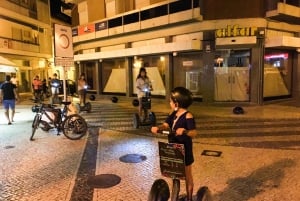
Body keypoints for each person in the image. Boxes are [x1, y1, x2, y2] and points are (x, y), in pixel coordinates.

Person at [151, 87, 197, 201]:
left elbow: (194, 132)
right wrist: (158, 128)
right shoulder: (173, 113)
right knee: (173, 174)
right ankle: (174, 197)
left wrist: (185, 131)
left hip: (184, 150)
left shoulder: (188, 115)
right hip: (172, 149)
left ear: (177, 103)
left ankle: (190, 198)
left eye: (171, 101)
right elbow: (166, 125)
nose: (169, 103)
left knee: (187, 175)